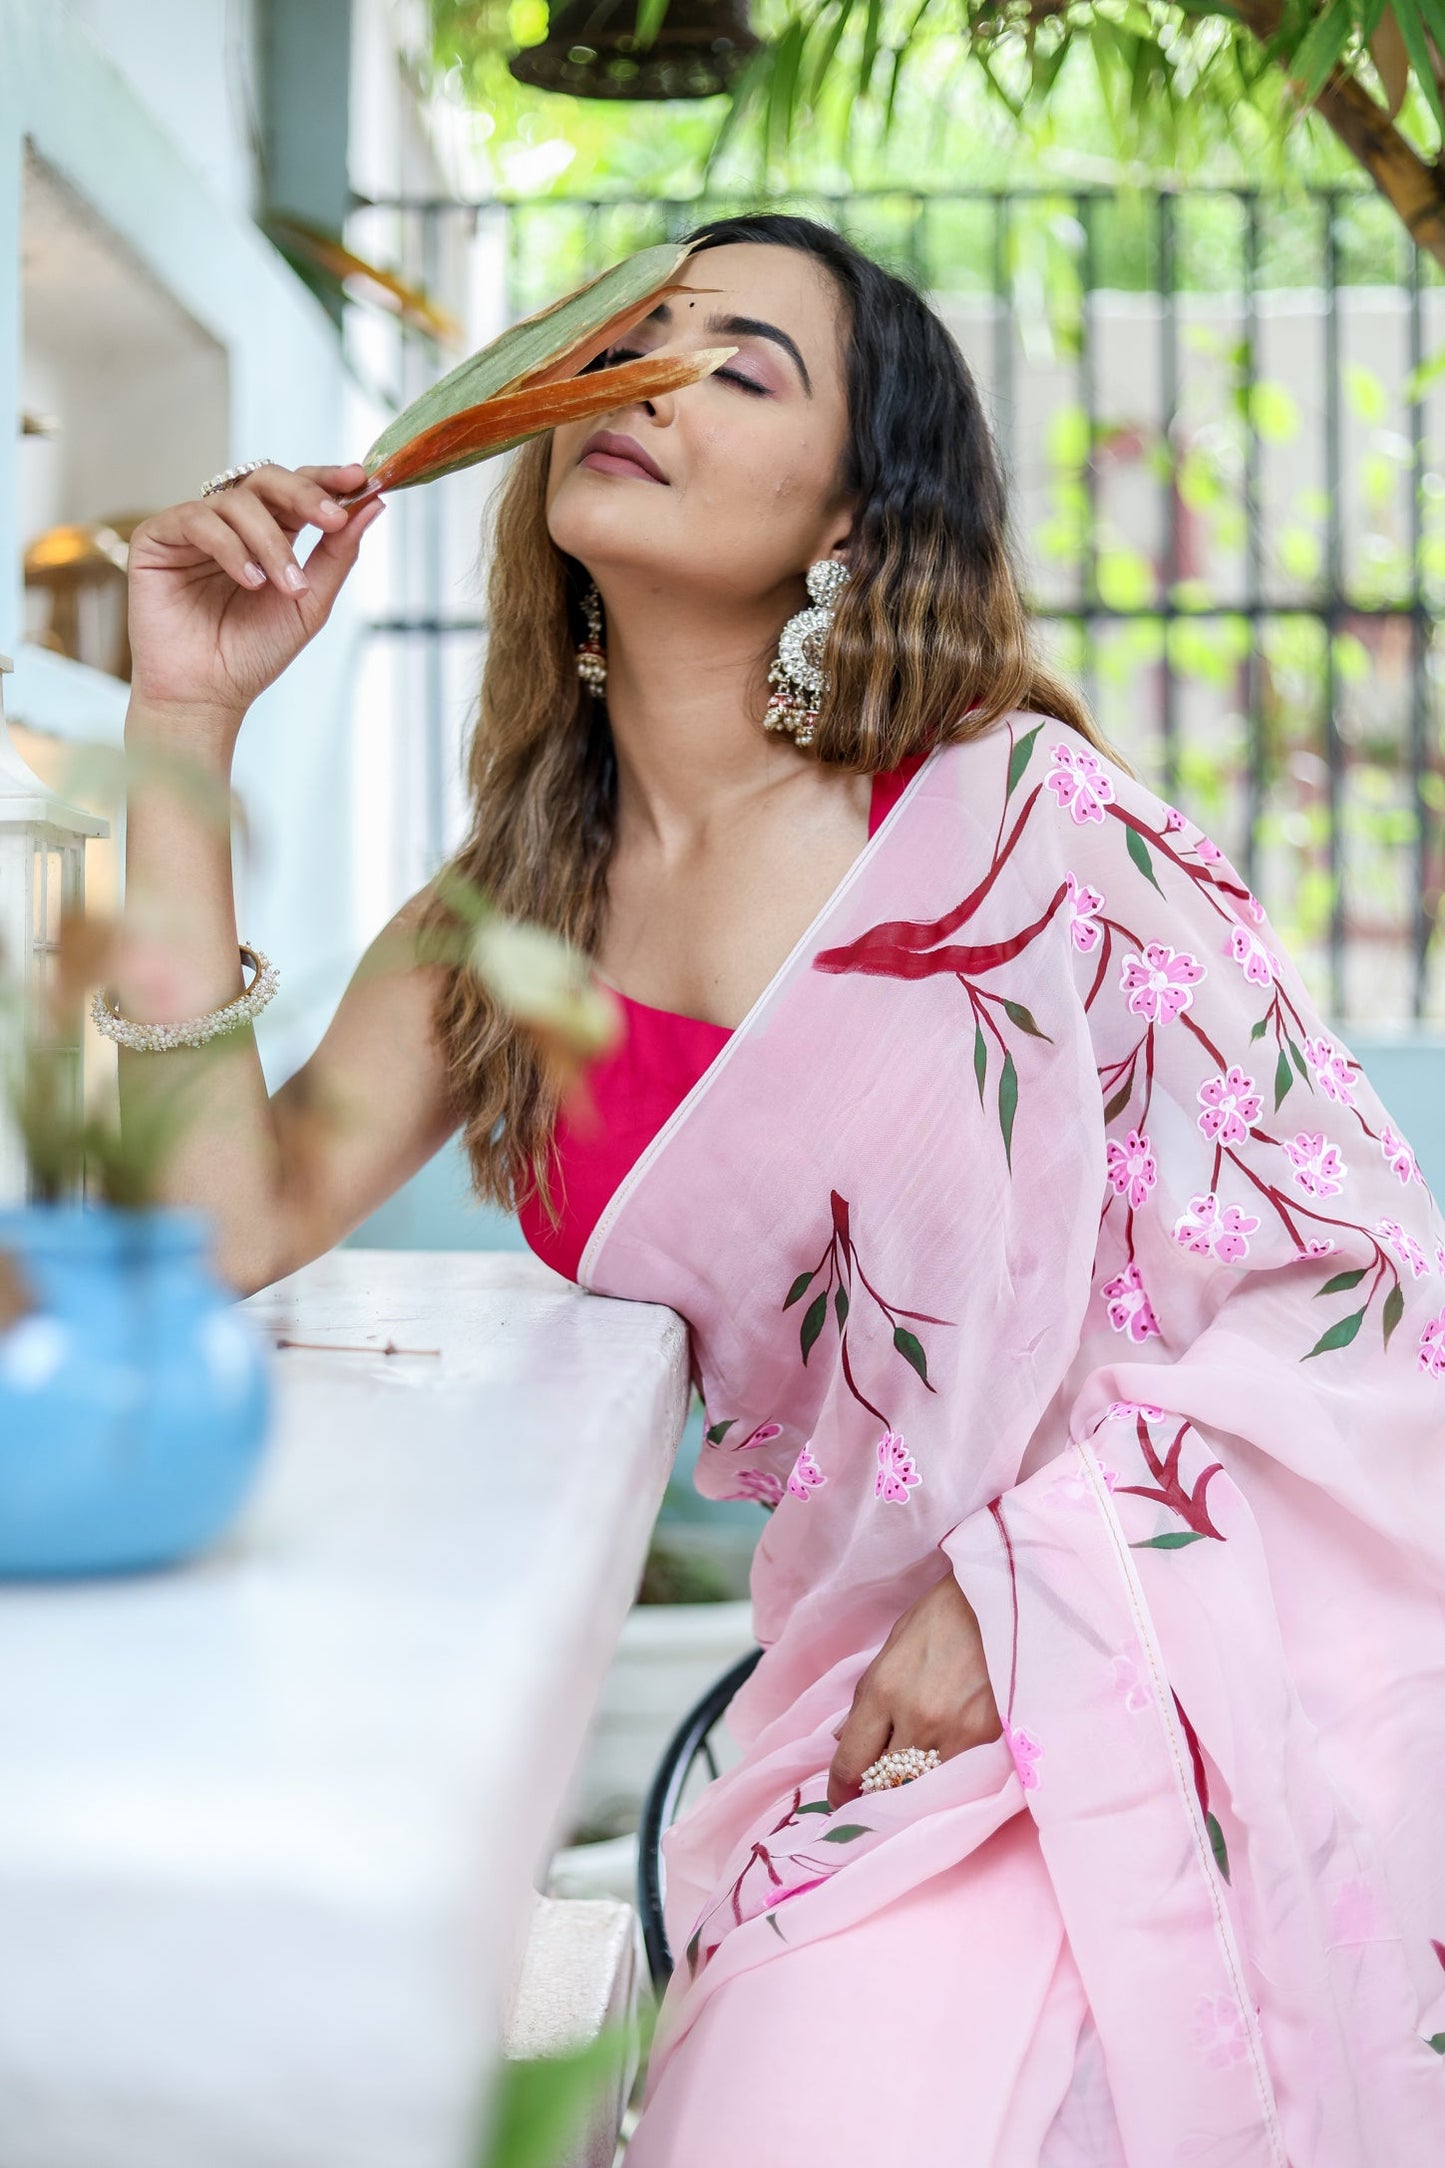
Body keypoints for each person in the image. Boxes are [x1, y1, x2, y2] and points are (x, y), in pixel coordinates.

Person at [116, 215, 1445, 2163]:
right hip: (857, 1714)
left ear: (850, 517)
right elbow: (205, 1226)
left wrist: (1026, 1580)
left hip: (1147, 1651)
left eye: (740, 366)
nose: (650, 383)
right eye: (628, 346)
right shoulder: (507, 923)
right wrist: (182, 718)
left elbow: (1366, 1282)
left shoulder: (1025, 830)